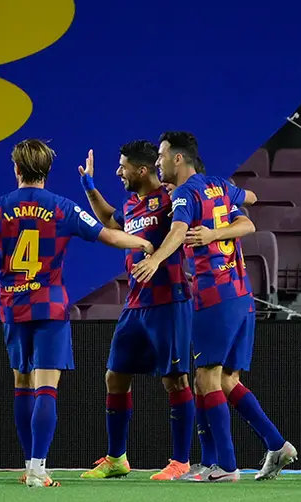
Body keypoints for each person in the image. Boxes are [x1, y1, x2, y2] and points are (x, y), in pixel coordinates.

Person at [0, 139, 155, 488]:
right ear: (47, 171)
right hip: (50, 306)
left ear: (17, 169)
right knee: (45, 387)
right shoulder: (62, 207)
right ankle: (38, 467)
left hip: (13, 307)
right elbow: (109, 236)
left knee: (21, 383)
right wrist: (143, 242)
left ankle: (28, 465)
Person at [133, 131, 297, 482]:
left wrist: (158, 258)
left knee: (207, 378)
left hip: (213, 294)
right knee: (223, 380)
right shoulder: (219, 186)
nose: (158, 162)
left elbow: (178, 231)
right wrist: (219, 221)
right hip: (241, 293)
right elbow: (249, 205)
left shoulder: (185, 194)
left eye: (161, 156)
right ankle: (273, 445)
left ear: (178, 158)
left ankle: (226, 465)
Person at [76, 142, 195, 481]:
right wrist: (89, 187)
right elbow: (109, 220)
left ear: (142, 170)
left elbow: (185, 228)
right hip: (135, 303)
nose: (118, 172)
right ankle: (117, 459)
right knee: (115, 377)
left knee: (175, 380)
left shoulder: (171, 199)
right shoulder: (132, 204)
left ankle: (181, 461)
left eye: (123, 167)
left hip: (169, 301)